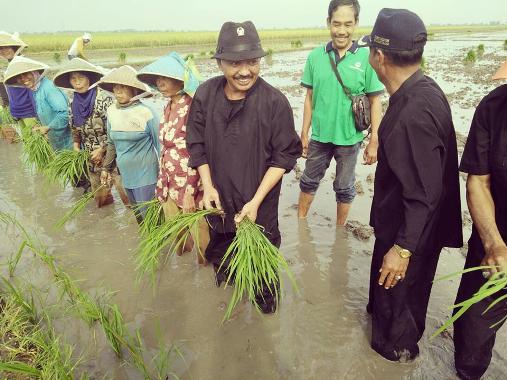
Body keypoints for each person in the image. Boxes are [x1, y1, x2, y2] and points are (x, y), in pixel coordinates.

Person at [363, 9, 463, 362]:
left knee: (396, 328)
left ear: (379, 56)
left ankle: (397, 357)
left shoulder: (413, 113)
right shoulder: (421, 88)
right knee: (384, 305)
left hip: (410, 236)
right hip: (404, 228)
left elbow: (423, 194)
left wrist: (402, 250)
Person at [186, 21, 302, 313]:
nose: (245, 70)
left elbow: (284, 157)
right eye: (235, 62)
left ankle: (266, 317)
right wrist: (208, 186)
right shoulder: (206, 94)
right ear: (220, 62)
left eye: (252, 61)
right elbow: (196, 143)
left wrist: (255, 202)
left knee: (263, 278)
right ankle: (233, 312)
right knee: (224, 267)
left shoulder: (275, 102)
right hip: (219, 204)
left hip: (257, 208)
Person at [297, 0, 384, 225]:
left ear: (356, 24)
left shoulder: (367, 58)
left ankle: (340, 232)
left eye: (347, 24)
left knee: (344, 188)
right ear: (328, 23)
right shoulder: (315, 57)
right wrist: (304, 132)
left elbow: (376, 101)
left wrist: (374, 140)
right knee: (308, 181)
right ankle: (300, 222)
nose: (341, 31)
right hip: (320, 136)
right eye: (336, 24)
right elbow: (309, 98)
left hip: (349, 138)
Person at [452, 59, 507, 380]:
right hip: (494, 250)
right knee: (470, 338)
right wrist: (494, 242)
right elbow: (479, 181)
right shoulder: (493, 107)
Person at [138, 52, 209, 263]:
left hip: (190, 185)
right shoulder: (168, 106)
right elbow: (166, 149)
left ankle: (206, 280)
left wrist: (190, 192)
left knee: (202, 239)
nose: (160, 83)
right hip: (169, 182)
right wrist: (162, 186)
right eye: (157, 79)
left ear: (180, 79)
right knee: (178, 236)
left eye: (165, 78)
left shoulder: (192, 106)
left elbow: (196, 151)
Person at [53, 58, 129, 206]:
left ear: (89, 79)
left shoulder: (104, 99)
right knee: (101, 197)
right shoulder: (72, 101)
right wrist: (76, 146)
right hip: (91, 158)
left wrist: (102, 149)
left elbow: (116, 130)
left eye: (81, 78)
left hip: (113, 156)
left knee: (125, 194)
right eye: (73, 79)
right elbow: (74, 128)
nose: (77, 82)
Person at [97, 65, 160, 222]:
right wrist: (106, 168)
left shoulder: (146, 112)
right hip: (126, 175)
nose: (118, 91)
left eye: (123, 87)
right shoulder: (112, 111)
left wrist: (165, 178)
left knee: (151, 219)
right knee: (139, 217)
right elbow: (111, 144)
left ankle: (160, 246)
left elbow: (161, 145)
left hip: (146, 174)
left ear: (134, 90)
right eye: (116, 87)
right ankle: (149, 246)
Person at [4, 56, 72, 151]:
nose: (23, 79)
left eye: (26, 74)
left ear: (34, 72)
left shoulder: (48, 88)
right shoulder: (35, 89)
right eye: (19, 77)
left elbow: (65, 113)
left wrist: (48, 127)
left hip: (66, 141)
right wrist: (40, 126)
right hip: (55, 140)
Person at [0, 32, 38, 131]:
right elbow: (11, 93)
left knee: (36, 141)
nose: (4, 51)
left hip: (29, 113)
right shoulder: (10, 65)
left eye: (7, 47)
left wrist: (36, 113)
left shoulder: (23, 64)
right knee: (27, 142)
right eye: (1, 48)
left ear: (14, 47)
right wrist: (13, 111)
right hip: (18, 112)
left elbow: (34, 90)